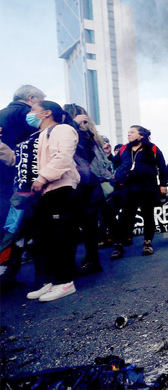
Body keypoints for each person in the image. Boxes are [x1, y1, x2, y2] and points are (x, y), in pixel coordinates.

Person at [25, 101, 80, 302]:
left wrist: (42, 178)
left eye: (33, 111)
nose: (29, 114)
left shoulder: (63, 129)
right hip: (46, 191)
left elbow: (64, 157)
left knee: (60, 236)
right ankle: (51, 281)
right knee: (43, 237)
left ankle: (65, 282)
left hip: (60, 188)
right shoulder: (38, 135)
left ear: (46, 113)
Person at [110, 126, 167, 259]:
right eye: (128, 132)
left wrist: (163, 184)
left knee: (148, 215)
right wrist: (118, 175)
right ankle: (118, 245)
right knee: (125, 216)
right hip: (128, 188)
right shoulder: (124, 149)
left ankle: (147, 243)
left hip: (147, 188)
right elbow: (115, 163)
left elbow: (162, 166)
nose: (128, 134)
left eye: (132, 132)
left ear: (141, 135)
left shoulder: (152, 148)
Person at [64, 104, 107, 274]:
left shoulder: (82, 135)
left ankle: (88, 261)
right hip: (88, 184)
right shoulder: (86, 134)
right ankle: (90, 260)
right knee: (87, 226)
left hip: (83, 185)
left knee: (79, 225)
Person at [0, 85, 45, 231]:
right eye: (40, 101)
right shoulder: (27, 114)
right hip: (20, 172)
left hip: (3, 173)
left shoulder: (2, 113)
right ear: (31, 98)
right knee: (21, 215)